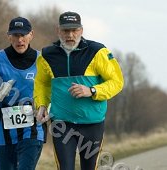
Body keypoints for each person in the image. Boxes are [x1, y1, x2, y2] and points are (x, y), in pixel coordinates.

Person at [34, 11, 124, 170]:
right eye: (65, 30)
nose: (70, 35)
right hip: (62, 124)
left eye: (74, 30)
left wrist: (92, 90)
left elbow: (117, 81)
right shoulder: (47, 55)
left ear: (81, 30)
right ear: (58, 30)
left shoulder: (97, 51)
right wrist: (41, 104)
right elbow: (42, 82)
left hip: (92, 124)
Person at [0, 17, 47, 170]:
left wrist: (49, 106)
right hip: (2, 131)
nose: (19, 40)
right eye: (15, 35)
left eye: (23, 35)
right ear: (9, 36)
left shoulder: (43, 60)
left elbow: (54, 90)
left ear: (31, 34)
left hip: (33, 129)